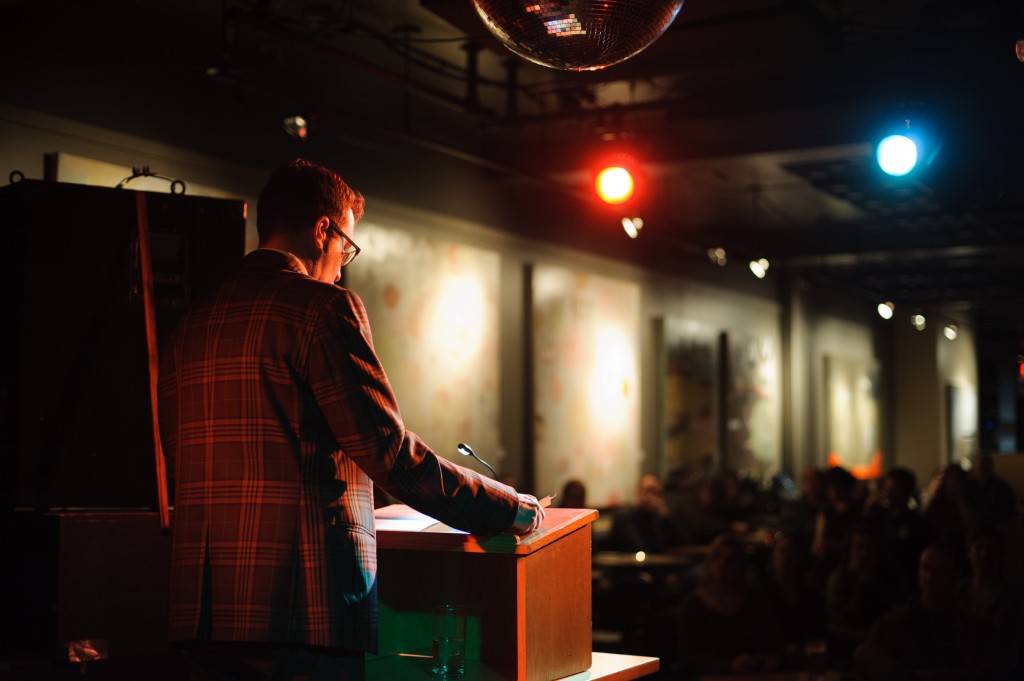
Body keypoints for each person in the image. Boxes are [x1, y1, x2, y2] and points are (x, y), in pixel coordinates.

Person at [157, 158, 545, 681]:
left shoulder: (192, 323)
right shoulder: (322, 307)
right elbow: (390, 455)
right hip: (301, 606)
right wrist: (510, 509)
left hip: (201, 610)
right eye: (346, 245)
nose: (342, 265)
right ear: (323, 230)